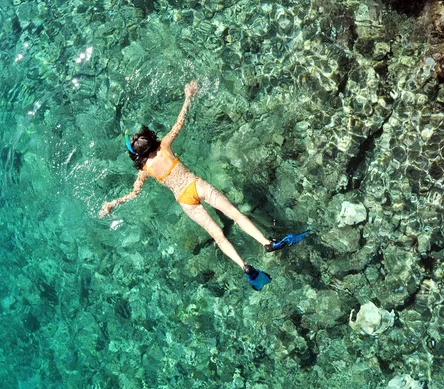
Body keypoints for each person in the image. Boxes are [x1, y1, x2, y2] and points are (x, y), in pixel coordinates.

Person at [99, 81, 308, 291]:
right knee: (236, 215)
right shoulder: (164, 146)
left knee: (218, 235)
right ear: (151, 139)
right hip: (196, 185)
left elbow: (134, 193)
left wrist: (112, 203)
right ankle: (267, 243)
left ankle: (245, 267)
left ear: (137, 154)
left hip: (185, 200)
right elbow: (179, 123)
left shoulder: (144, 170)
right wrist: (188, 96)